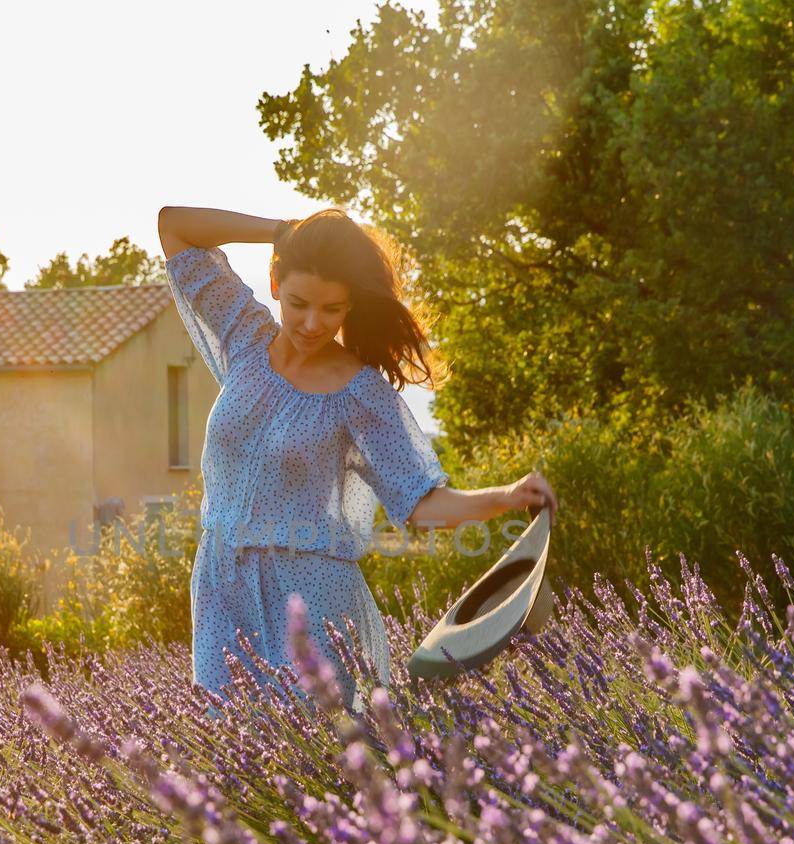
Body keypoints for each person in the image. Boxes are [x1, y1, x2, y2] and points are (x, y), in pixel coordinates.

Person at [157, 205, 558, 715]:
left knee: (308, 758)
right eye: (299, 302)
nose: (311, 323)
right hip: (221, 587)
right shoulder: (241, 333)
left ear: (350, 307)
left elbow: (421, 503)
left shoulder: (361, 393)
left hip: (311, 597)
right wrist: (283, 232)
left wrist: (505, 497)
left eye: (332, 309)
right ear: (275, 279)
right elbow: (173, 226)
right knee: (228, 757)